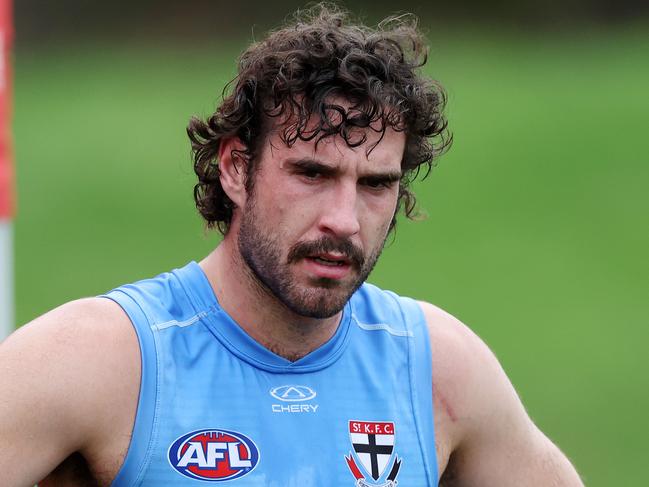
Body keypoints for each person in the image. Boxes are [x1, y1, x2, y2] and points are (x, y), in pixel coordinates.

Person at [0, 4, 584, 486]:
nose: (344, 221)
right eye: (312, 174)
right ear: (235, 168)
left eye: (376, 185)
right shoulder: (102, 362)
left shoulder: (437, 370)